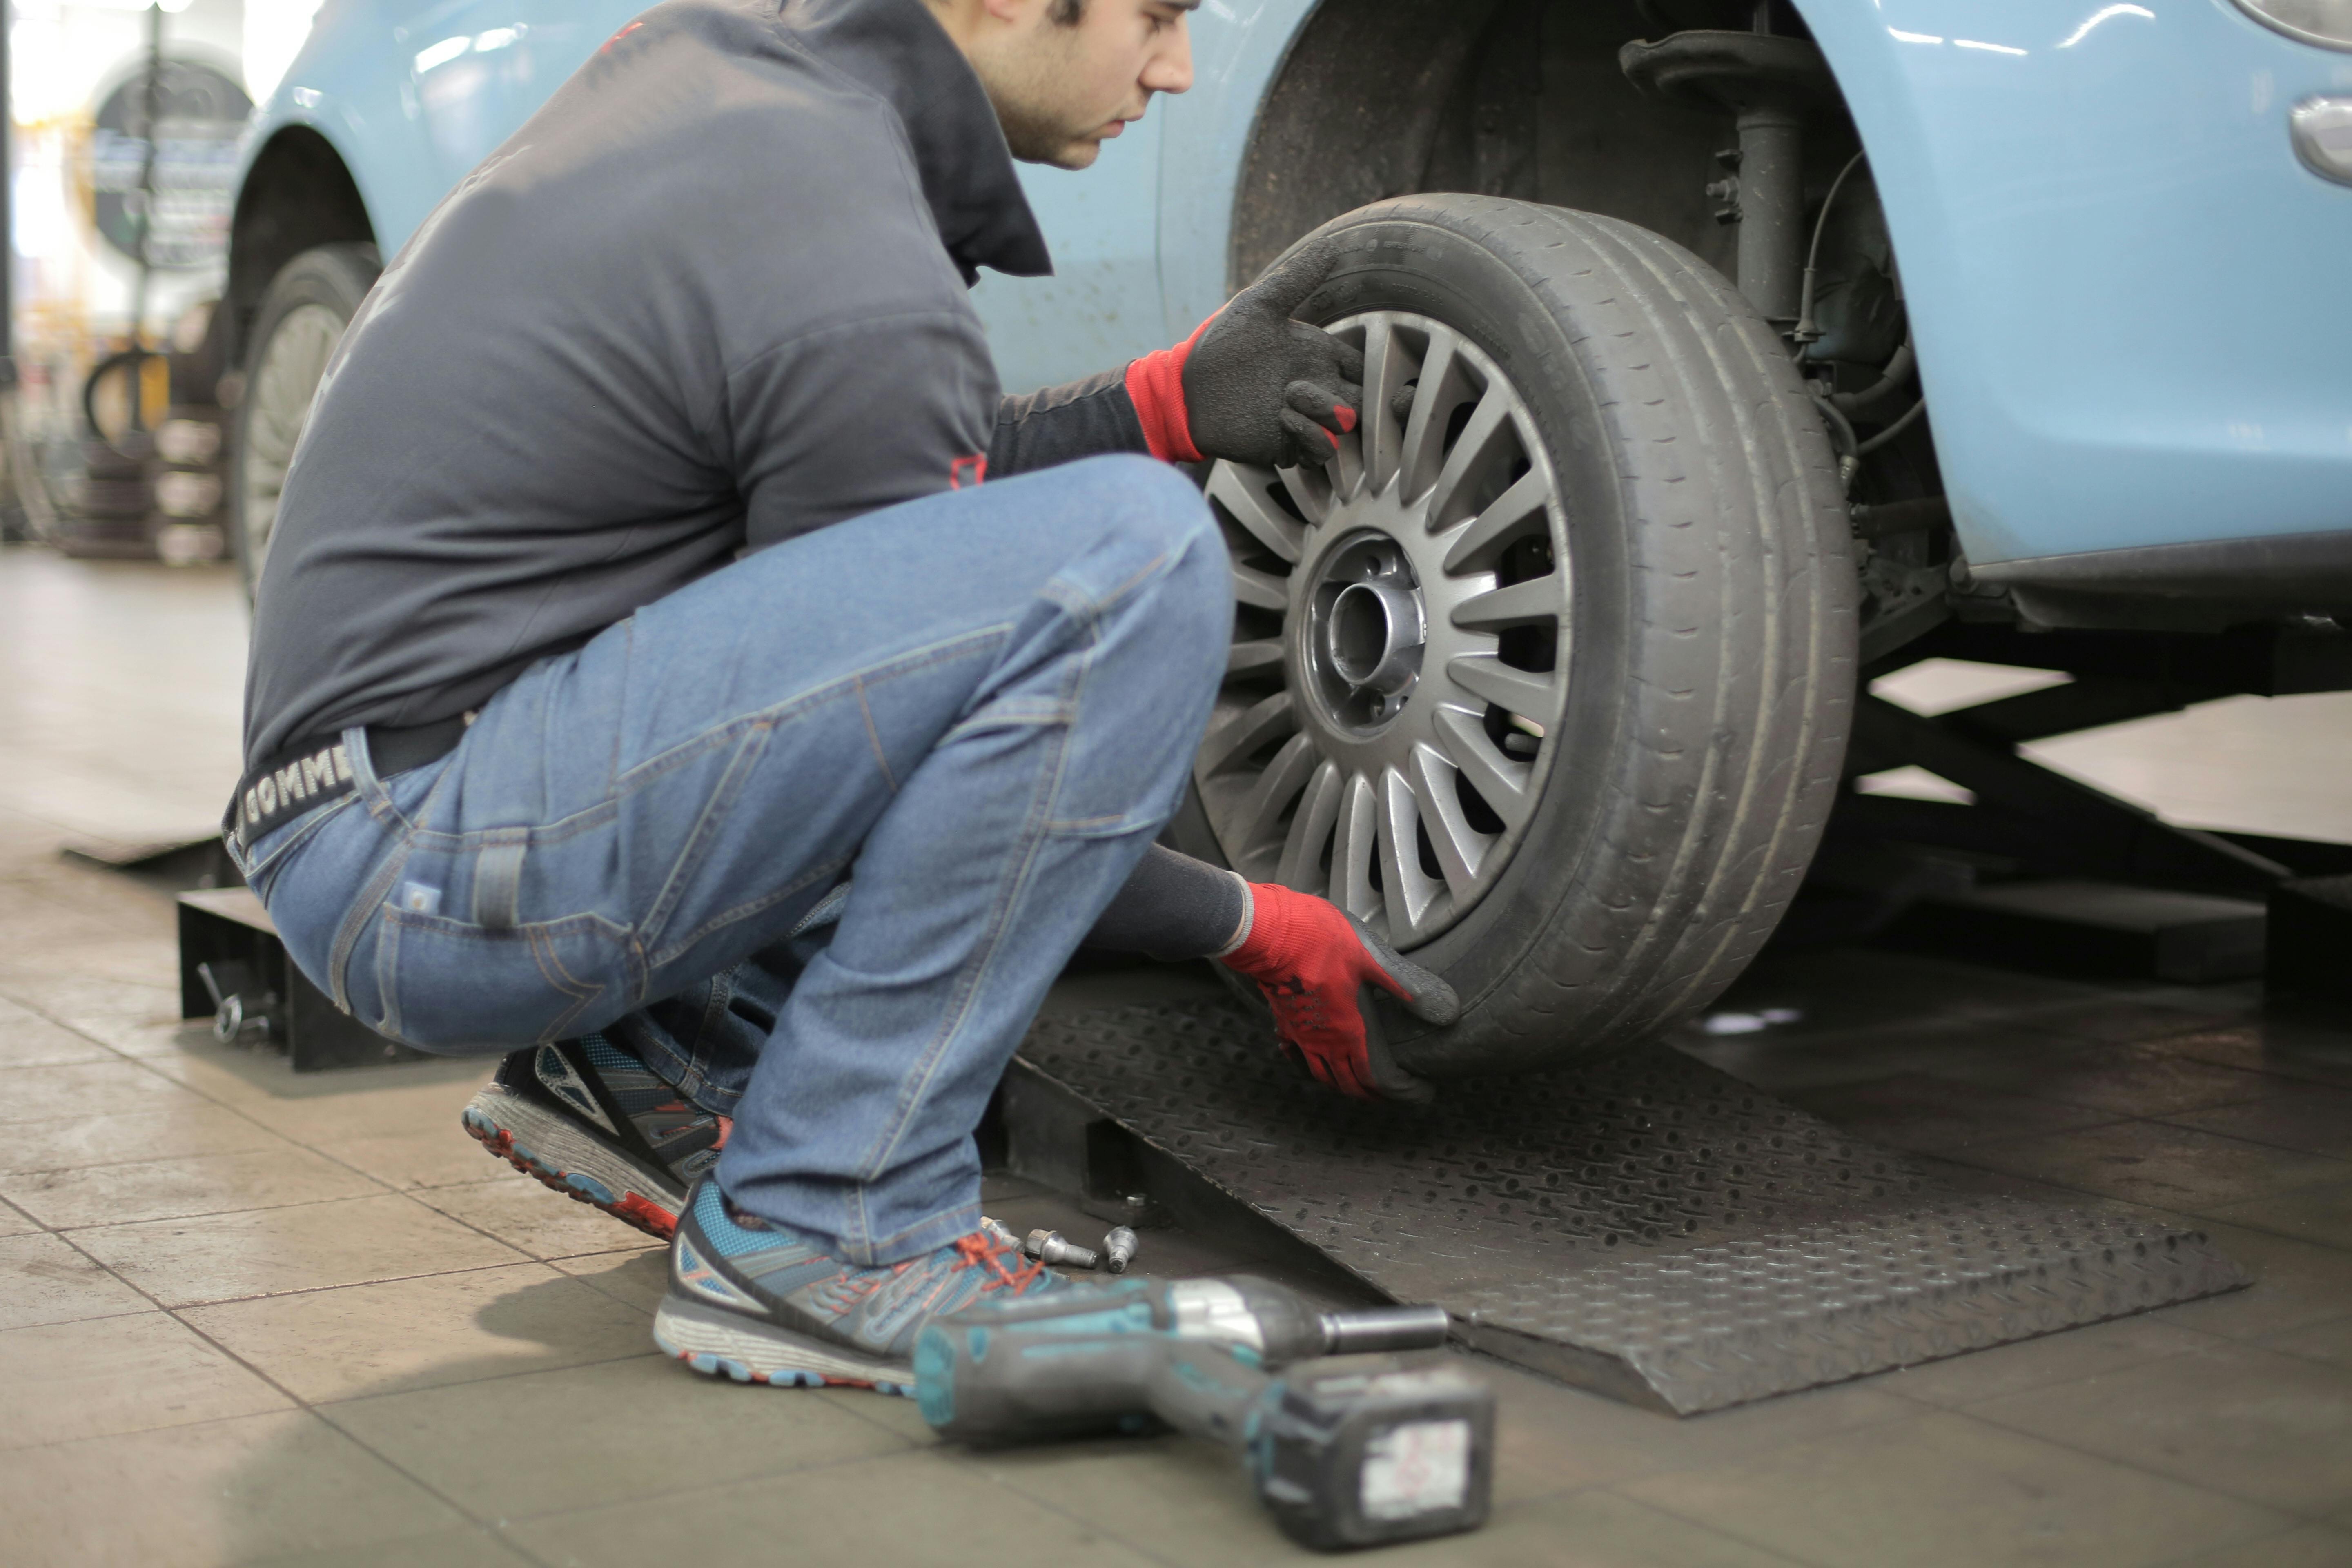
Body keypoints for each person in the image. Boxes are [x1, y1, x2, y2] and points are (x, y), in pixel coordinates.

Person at [225, 0, 1454, 1394]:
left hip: (379, 811)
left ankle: (661, 1065)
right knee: (1133, 559)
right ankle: (837, 1221)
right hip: (435, 863)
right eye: (1155, 16)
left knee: (1045, 549)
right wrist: (1246, 922)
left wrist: (1154, 404)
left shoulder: (757, 102)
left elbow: (857, 511)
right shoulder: (845, 236)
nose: (1173, 69)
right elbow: (912, 730)